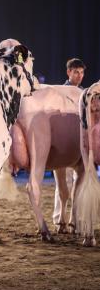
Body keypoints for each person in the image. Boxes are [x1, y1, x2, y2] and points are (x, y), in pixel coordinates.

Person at [53, 58, 86, 231]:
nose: (79, 76)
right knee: (62, 183)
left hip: (78, 141)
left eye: (81, 72)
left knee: (79, 181)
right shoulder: (60, 91)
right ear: (68, 72)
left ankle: (74, 218)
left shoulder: (85, 93)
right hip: (62, 141)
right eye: (75, 72)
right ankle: (60, 218)